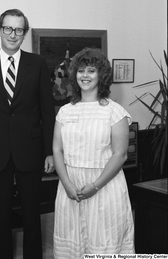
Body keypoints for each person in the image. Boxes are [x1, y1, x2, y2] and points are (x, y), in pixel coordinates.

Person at [0, 8, 55, 259]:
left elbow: (47, 111)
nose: (13, 34)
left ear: (24, 33)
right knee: (1, 216)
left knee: (31, 214)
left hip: (30, 149)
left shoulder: (38, 63)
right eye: (8, 28)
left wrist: (49, 151)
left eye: (18, 30)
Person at [52, 48, 135, 258]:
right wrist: (68, 184)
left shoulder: (114, 111)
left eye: (91, 70)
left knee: (105, 242)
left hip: (105, 186)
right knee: (72, 245)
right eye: (81, 71)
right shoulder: (65, 111)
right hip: (70, 186)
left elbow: (120, 155)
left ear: (101, 75)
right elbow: (57, 149)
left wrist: (95, 186)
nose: (85, 76)